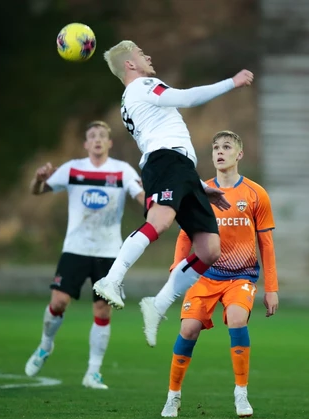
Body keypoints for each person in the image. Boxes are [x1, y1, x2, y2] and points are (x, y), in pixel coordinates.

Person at [93, 40, 255, 347]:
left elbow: (163, 134)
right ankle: (111, 279)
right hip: (166, 161)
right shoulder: (142, 86)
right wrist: (231, 83)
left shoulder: (131, 99)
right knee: (160, 221)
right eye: (141, 53)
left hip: (180, 167)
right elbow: (186, 98)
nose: (148, 56)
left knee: (209, 249)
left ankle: (158, 304)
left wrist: (197, 185)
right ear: (130, 64)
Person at [159, 130, 279, 418]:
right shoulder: (199, 192)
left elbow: (266, 243)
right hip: (204, 275)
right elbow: (185, 235)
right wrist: (177, 267)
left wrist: (272, 288)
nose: (220, 152)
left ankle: (241, 394)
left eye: (226, 147)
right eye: (215, 148)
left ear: (239, 154)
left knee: (237, 319)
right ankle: (173, 397)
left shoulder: (255, 194)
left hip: (241, 277)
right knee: (188, 330)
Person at [24, 120, 145, 389]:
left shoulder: (122, 170)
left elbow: (140, 195)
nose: (97, 139)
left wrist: (154, 208)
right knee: (58, 302)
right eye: (92, 136)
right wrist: (38, 179)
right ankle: (45, 346)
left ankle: (93, 372)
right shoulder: (72, 168)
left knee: (102, 309)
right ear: (86, 144)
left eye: (102, 135)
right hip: (76, 248)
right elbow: (37, 191)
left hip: (109, 252)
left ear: (109, 143)